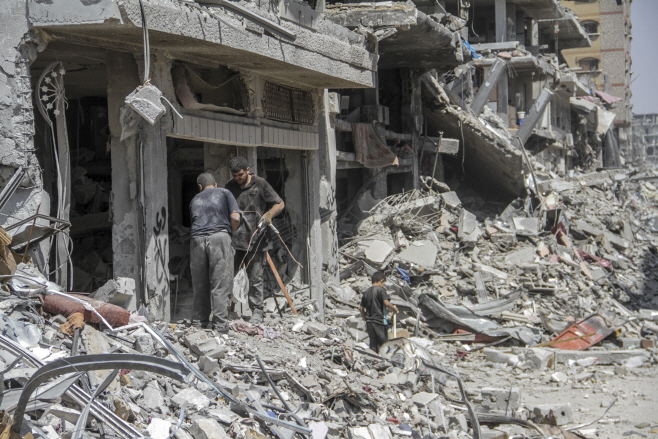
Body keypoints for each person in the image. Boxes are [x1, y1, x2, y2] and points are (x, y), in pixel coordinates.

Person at [226, 156, 285, 324]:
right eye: (235, 176)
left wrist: (269, 214)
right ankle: (229, 309)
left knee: (255, 278)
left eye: (240, 175)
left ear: (248, 170)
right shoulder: (230, 186)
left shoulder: (261, 184)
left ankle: (257, 311)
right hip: (235, 240)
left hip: (257, 239)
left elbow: (279, 204)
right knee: (231, 276)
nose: (238, 179)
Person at [189, 172, 241, 334]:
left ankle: (199, 321)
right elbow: (236, 217)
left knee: (200, 283)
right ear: (215, 184)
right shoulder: (225, 193)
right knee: (220, 282)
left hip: (196, 239)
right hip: (219, 237)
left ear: (200, 187)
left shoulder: (194, 199)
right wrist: (228, 233)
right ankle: (219, 325)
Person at [360, 271, 398, 353]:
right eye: (383, 282)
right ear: (381, 281)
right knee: (383, 343)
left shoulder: (366, 292)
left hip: (370, 322)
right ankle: (383, 360)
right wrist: (394, 309)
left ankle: (374, 360)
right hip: (379, 321)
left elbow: (361, 309)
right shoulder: (381, 290)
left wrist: (366, 318)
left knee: (373, 344)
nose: (383, 284)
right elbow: (386, 303)